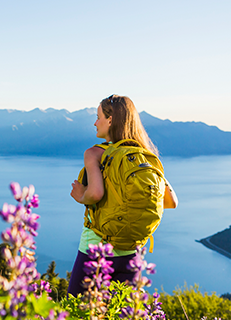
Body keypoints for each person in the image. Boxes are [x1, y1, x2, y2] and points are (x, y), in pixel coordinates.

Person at [67, 94, 178, 297]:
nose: (95, 122)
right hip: (131, 253)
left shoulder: (95, 153)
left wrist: (82, 195)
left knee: (77, 310)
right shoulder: (144, 156)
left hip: (96, 250)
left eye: (98, 116)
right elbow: (171, 202)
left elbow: (96, 194)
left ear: (110, 120)